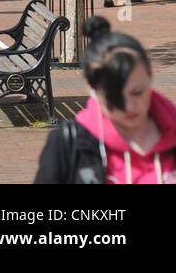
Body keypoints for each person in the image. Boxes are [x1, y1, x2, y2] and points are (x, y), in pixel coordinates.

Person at [35, 17, 176, 184]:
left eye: (137, 92)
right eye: (114, 97)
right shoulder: (67, 144)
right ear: (91, 88)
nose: (129, 107)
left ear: (150, 76)